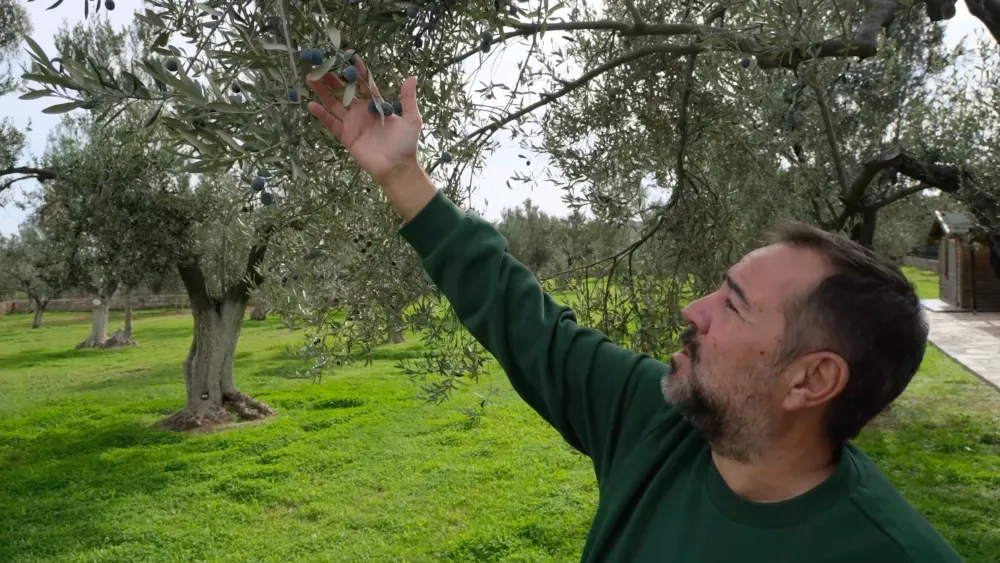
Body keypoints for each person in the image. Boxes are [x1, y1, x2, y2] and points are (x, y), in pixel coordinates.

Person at [305, 60, 964, 562]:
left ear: (811, 379)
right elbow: (520, 316)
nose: (693, 308)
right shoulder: (651, 418)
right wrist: (401, 175)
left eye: (732, 303)